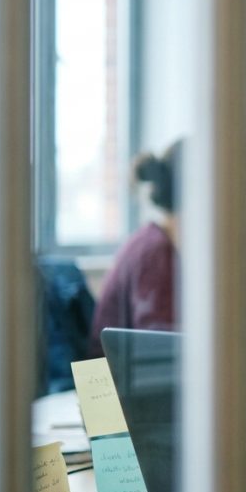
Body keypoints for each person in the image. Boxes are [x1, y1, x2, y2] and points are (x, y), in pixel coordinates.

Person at [89, 140, 182, 357]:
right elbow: (158, 349)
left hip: (110, 380)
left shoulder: (153, 240)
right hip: (105, 388)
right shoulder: (156, 252)